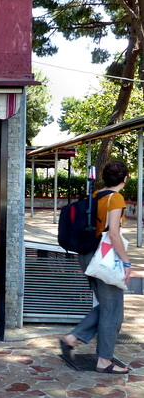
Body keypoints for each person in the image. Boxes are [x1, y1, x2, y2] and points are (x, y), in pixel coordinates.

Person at [59, 160, 132, 374]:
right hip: (104, 258)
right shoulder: (115, 198)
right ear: (125, 178)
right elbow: (115, 235)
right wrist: (126, 261)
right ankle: (103, 361)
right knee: (114, 311)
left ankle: (72, 338)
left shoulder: (96, 194)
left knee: (108, 307)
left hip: (87, 255)